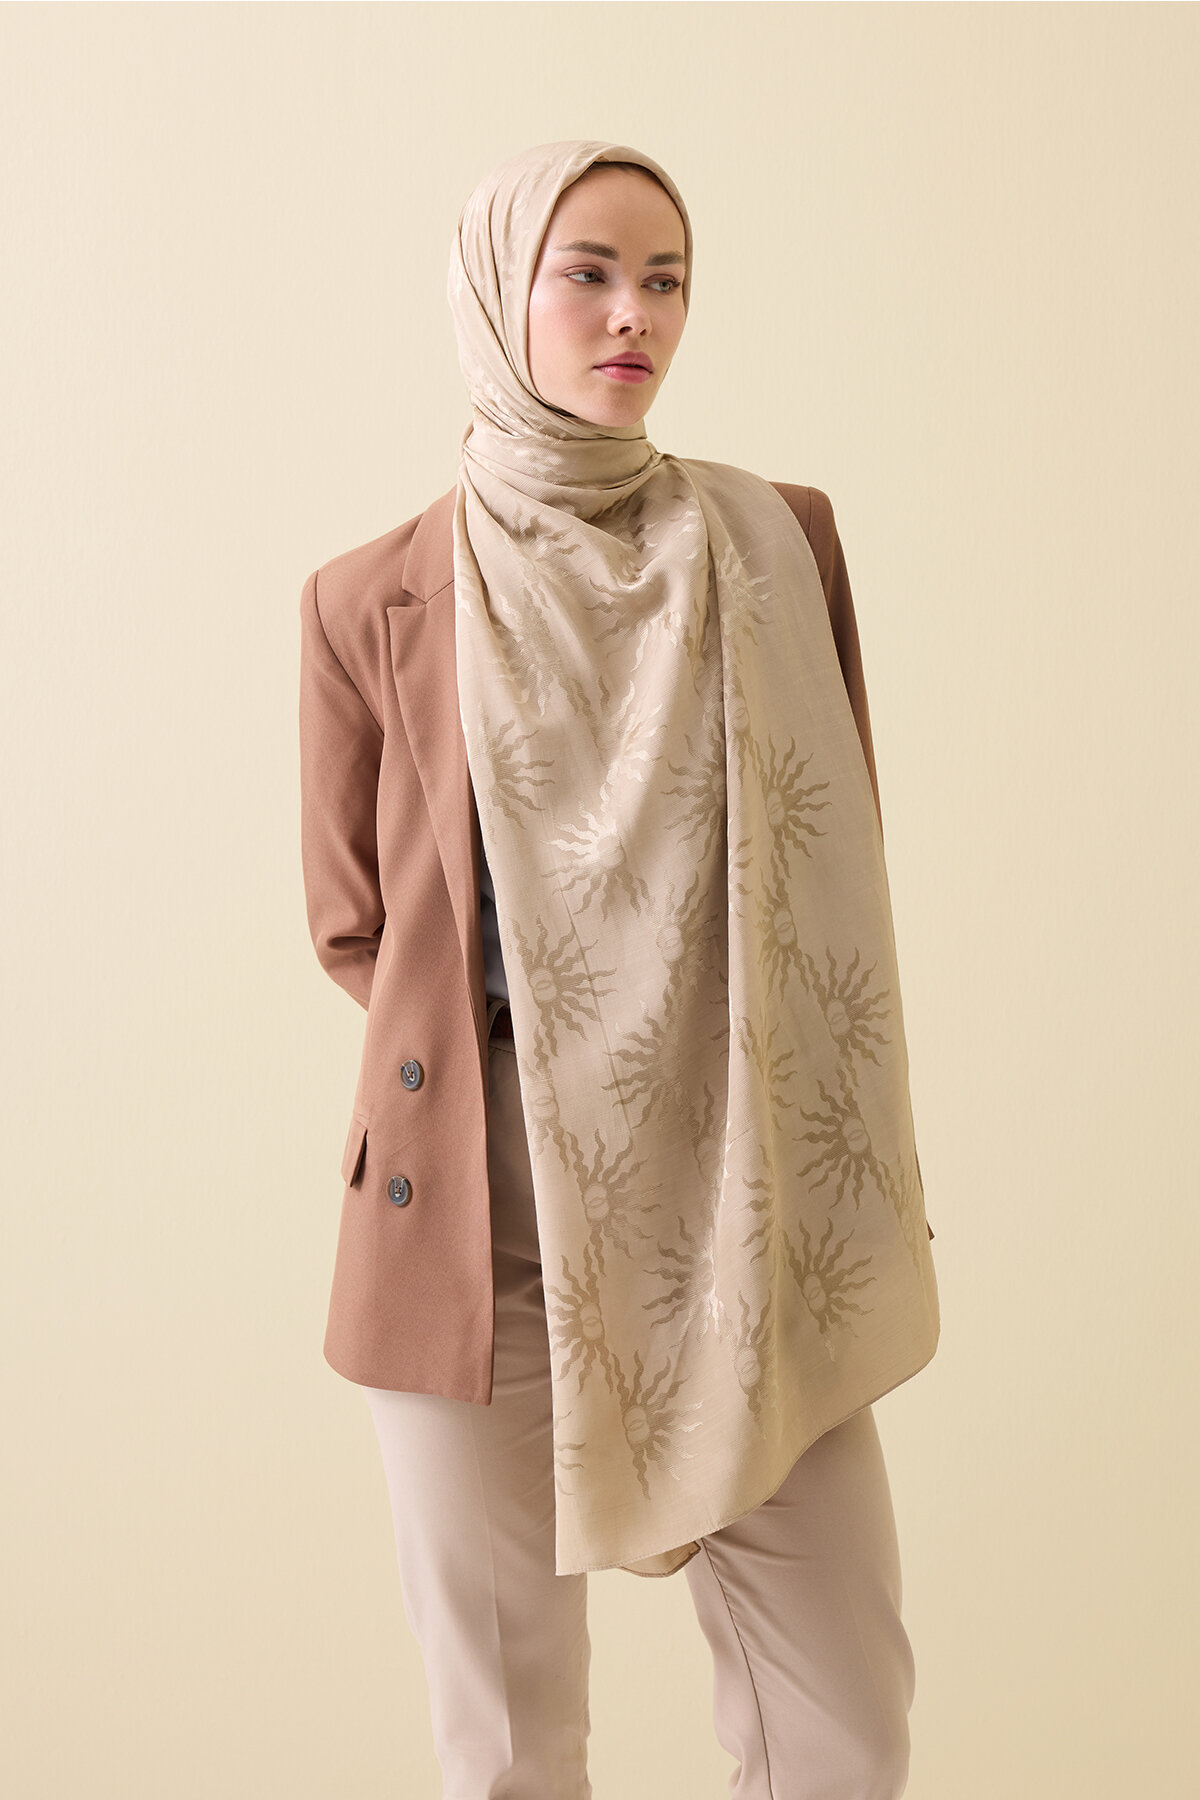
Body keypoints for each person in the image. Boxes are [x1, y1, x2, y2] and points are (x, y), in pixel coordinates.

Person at [298, 138, 940, 1800]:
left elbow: (829, 857)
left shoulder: (778, 545)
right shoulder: (371, 601)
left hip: (746, 1195)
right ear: (497, 294)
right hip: (478, 1218)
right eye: (585, 272)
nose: (633, 313)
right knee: (511, 1747)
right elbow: (357, 922)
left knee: (845, 1725)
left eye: (666, 278)